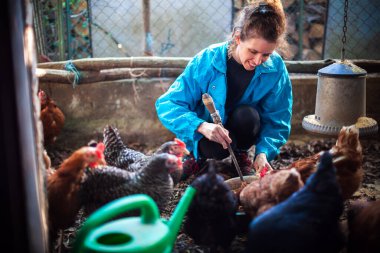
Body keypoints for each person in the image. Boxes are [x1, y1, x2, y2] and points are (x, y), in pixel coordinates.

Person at [155, 0, 292, 180]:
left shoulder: (276, 68)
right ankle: (198, 157)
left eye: (266, 54)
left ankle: (242, 154)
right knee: (216, 149)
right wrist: (202, 126)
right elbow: (168, 105)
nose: (258, 60)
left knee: (248, 116)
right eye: (253, 51)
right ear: (237, 38)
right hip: (208, 134)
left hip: (241, 127)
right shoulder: (206, 60)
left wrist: (264, 153)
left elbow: (278, 118)